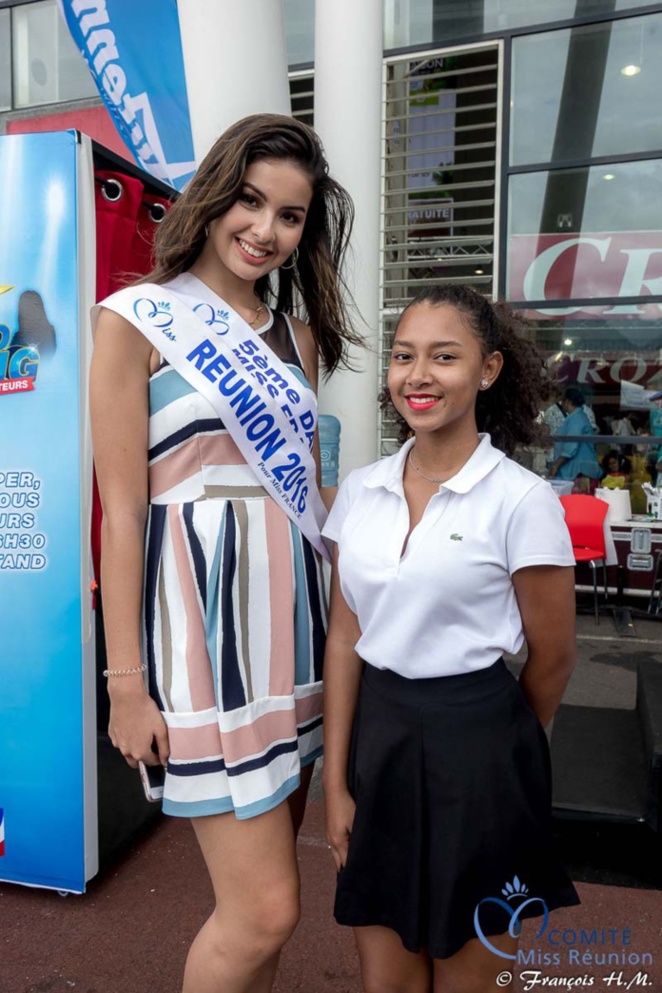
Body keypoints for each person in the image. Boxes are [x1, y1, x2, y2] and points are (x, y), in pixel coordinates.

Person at [90, 113, 360, 993]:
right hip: (205, 639)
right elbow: (124, 510)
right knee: (263, 909)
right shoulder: (134, 321)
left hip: (298, 630)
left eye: (290, 216)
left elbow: (309, 493)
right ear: (213, 196)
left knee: (274, 901)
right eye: (250, 201)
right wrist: (124, 684)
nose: (265, 230)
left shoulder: (299, 340)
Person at [322, 284, 580, 993]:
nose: (417, 375)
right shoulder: (361, 490)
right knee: (387, 974)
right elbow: (346, 635)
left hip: (482, 749)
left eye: (444, 356)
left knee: (469, 973)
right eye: (404, 356)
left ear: (488, 370)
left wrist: (506, 751)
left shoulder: (521, 500)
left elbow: (553, 655)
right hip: (381, 738)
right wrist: (336, 780)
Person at [548, 386, 601, 488]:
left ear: (567, 401)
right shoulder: (576, 417)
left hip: (579, 473)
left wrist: (555, 466)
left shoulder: (577, 418)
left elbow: (570, 448)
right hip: (576, 472)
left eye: (562, 401)